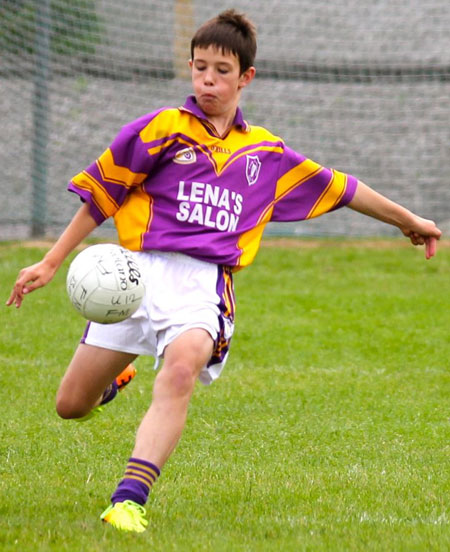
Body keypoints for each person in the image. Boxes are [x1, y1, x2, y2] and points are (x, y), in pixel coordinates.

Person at [6, 9, 441, 533]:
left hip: (203, 286)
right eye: (200, 68)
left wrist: (408, 220)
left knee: (183, 366)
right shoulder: (161, 129)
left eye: (221, 71)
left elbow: (343, 188)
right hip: (135, 279)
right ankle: (116, 378)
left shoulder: (266, 154)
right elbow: (101, 196)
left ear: (246, 77)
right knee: (70, 406)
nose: (208, 80)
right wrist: (51, 261)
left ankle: (129, 501)